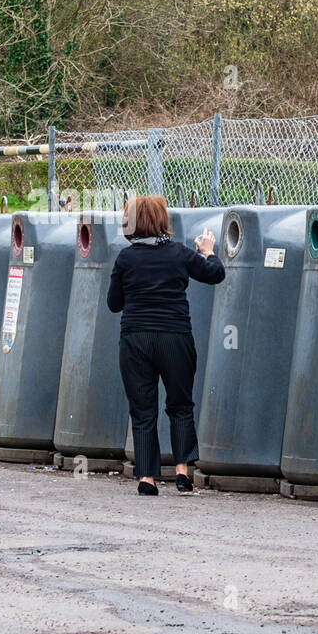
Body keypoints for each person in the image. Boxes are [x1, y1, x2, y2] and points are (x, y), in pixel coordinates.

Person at [106, 195, 225, 495]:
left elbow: (113, 304)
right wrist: (208, 252)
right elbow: (215, 274)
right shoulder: (179, 254)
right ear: (162, 221)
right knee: (180, 405)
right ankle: (183, 471)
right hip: (175, 337)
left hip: (136, 340)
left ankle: (147, 478)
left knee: (143, 409)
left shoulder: (125, 258)